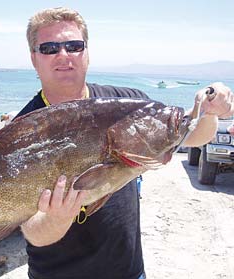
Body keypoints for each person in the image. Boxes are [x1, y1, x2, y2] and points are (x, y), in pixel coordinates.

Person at [15, 7, 234, 279]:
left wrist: (208, 110)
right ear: (34, 59)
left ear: (87, 53)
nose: (64, 55)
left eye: (73, 46)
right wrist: (56, 219)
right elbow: (33, 232)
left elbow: (195, 135)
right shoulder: (21, 131)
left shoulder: (129, 105)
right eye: (49, 48)